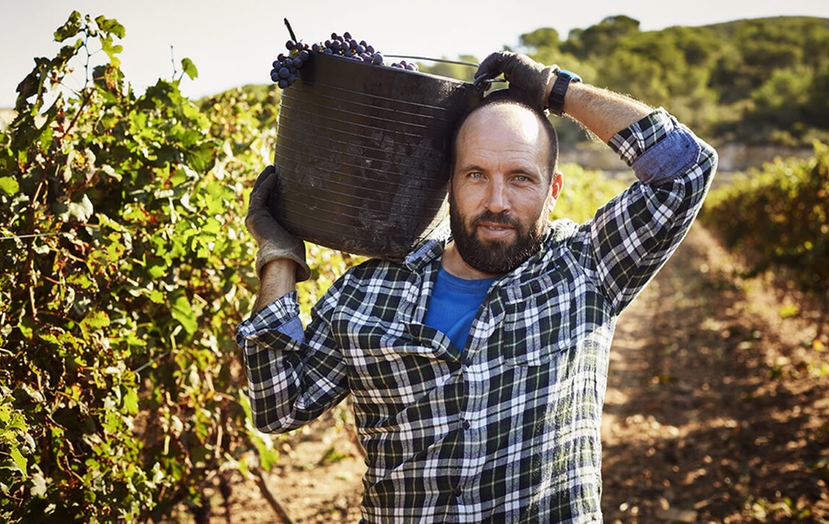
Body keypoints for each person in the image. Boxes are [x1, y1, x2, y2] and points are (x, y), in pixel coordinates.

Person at [236, 51, 717, 522]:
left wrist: (556, 90)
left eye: (521, 178)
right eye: (475, 175)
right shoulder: (367, 293)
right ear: (449, 183)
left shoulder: (586, 269)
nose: (496, 202)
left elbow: (685, 166)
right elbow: (278, 406)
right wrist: (278, 255)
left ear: (553, 191)